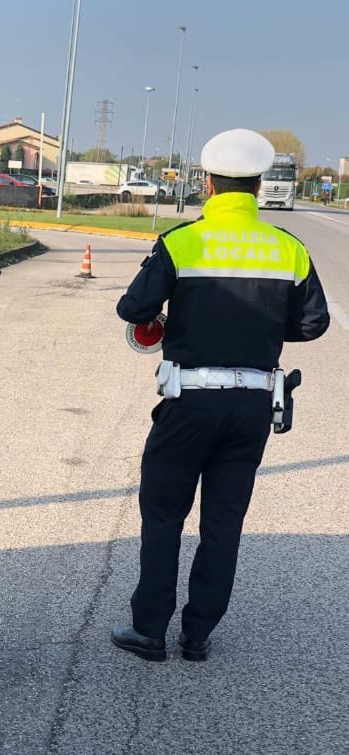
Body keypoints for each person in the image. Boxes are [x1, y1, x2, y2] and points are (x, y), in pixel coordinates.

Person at [112, 128, 330, 662]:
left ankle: (150, 630)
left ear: (209, 184)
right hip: (252, 404)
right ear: (257, 187)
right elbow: (314, 323)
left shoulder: (183, 241)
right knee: (223, 520)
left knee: (163, 512)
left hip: (189, 402)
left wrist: (177, 318)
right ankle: (198, 634)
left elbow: (133, 310)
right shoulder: (288, 248)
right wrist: (262, 330)